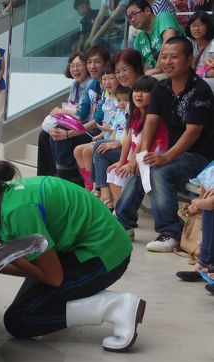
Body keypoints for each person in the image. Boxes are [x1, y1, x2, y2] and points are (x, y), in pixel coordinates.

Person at [0, 146, 144, 351]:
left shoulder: (18, 212)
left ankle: (117, 307)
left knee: (20, 320)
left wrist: (5, 255)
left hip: (104, 254)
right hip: (75, 246)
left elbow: (53, 277)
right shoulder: (3, 197)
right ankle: (69, 301)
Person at [115, 37, 214, 251]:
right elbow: (150, 123)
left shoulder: (200, 90)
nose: (168, 61)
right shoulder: (161, 87)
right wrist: (141, 155)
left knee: (159, 170)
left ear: (189, 60)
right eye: (164, 56)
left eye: (174, 56)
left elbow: (192, 133)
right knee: (144, 165)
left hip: (200, 157)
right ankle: (122, 224)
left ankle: (170, 233)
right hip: (175, 153)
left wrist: (166, 157)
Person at [48, 45, 110, 185]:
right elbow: (81, 114)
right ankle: (59, 172)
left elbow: (97, 121)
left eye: (97, 62)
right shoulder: (93, 84)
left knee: (62, 135)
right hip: (90, 128)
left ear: (106, 63)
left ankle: (68, 176)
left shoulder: (109, 86)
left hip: (101, 132)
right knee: (54, 131)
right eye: (89, 62)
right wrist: (61, 124)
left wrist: (68, 133)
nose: (92, 66)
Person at [91, 48, 144, 204]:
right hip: (133, 147)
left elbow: (146, 133)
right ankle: (112, 203)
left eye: (125, 69)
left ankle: (108, 200)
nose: (121, 75)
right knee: (102, 152)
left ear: (137, 68)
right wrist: (122, 161)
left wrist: (131, 159)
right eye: (118, 71)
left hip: (147, 150)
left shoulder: (143, 93)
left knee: (100, 151)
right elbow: (128, 132)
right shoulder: (130, 97)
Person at [107, 76, 168, 205]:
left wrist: (132, 162)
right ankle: (119, 209)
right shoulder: (135, 113)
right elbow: (129, 139)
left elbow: (143, 142)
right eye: (136, 91)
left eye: (145, 91)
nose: (139, 95)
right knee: (113, 172)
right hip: (138, 157)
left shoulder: (154, 117)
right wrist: (121, 161)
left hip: (151, 158)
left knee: (120, 174)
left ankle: (122, 212)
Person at [37, 52, 91, 177]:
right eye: (72, 66)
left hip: (87, 127)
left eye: (79, 65)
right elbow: (71, 107)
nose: (75, 69)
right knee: (44, 134)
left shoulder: (91, 84)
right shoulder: (74, 85)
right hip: (74, 124)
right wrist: (61, 113)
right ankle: (46, 175)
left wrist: (62, 111)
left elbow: (83, 113)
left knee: (57, 130)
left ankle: (65, 172)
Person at [73, 63, 120, 191]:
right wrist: (100, 135)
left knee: (88, 151)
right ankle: (88, 183)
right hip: (105, 136)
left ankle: (96, 188)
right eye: (104, 79)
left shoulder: (120, 101)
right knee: (77, 150)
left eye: (111, 78)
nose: (107, 82)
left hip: (114, 139)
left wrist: (106, 132)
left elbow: (118, 125)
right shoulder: (107, 97)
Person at [176, 168, 214, 294]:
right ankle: (204, 263)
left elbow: (209, 202)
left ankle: (207, 265)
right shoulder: (210, 172)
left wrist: (198, 203)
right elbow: (205, 193)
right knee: (208, 213)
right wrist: (198, 204)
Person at [127, 0, 183, 76]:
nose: (132, 20)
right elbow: (138, 65)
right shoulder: (139, 38)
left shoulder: (164, 17)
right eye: (130, 18)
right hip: (156, 77)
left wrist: (157, 69)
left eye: (134, 14)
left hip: (176, 71)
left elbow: (169, 42)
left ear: (147, 11)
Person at [186, 11, 214, 79]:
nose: (196, 29)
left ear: (208, 26)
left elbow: (211, 73)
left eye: (200, 25)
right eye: (193, 25)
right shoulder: (188, 41)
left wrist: (205, 74)